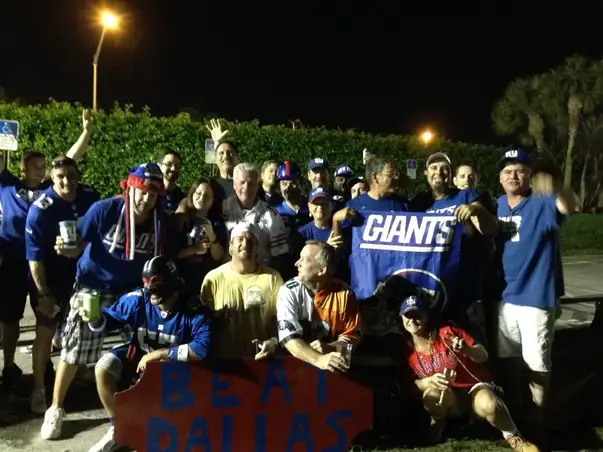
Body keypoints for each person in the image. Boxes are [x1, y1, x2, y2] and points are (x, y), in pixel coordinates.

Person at [41, 162, 166, 440]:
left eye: (152, 194)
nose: (146, 199)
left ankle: (132, 408)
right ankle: (56, 408)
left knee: (139, 347)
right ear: (129, 188)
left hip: (132, 290)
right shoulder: (105, 209)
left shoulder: (160, 220)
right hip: (93, 285)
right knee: (75, 346)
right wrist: (67, 248)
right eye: (142, 191)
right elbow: (77, 242)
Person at [0, 109, 94, 387]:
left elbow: (70, 159)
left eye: (44, 165)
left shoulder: (49, 188)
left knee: (46, 315)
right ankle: (8, 365)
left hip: (42, 262)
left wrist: (86, 132)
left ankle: (50, 364)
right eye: (36, 164)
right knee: (10, 316)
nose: (41, 169)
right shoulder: (7, 185)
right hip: (13, 261)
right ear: (23, 167)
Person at [83, 256, 211, 452]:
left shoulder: (193, 307)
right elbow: (107, 320)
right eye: (147, 286)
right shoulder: (138, 300)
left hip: (178, 375)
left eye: (156, 285)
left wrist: (161, 354)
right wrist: (94, 319)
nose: (151, 292)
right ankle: (119, 426)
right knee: (103, 368)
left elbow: (203, 348)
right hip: (140, 358)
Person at [495, 149, 577, 438]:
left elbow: (569, 205)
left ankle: (535, 419)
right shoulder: (496, 206)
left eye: (519, 170)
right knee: (509, 360)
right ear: (500, 178)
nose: (513, 175)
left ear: (529, 175)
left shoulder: (541, 202)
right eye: (507, 171)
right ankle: (514, 410)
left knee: (537, 364)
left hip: (536, 297)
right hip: (504, 298)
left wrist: (557, 186)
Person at [400, 294, 538, 451]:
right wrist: (427, 381)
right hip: (449, 401)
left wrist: (466, 349)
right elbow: (409, 385)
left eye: (417, 314)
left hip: (474, 390)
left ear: (427, 315)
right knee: (432, 395)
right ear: (402, 318)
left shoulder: (447, 332)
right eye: (407, 315)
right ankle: (437, 425)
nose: (412, 320)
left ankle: (513, 436)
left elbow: (483, 355)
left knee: (491, 404)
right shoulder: (406, 348)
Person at [25, 156, 100, 413]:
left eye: (70, 174)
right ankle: (38, 389)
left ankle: (78, 372)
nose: (66, 180)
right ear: (52, 178)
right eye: (60, 177)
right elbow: (34, 260)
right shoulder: (40, 209)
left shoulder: (90, 196)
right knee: (45, 333)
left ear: (78, 174)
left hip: (83, 278)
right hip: (50, 280)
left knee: (80, 331)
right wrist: (44, 294)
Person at [277, 241, 362, 373]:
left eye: (304, 260)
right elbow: (289, 339)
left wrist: (330, 348)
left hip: (333, 370)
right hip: (292, 368)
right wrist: (319, 359)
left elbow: (352, 337)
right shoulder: (289, 291)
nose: (296, 263)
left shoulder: (345, 294)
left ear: (322, 270)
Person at [201, 222, 282, 359]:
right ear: (230, 247)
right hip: (223, 362)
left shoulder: (273, 279)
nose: (245, 244)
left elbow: (282, 321)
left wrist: (274, 342)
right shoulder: (213, 279)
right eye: (240, 239)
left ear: (257, 248)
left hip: (262, 361)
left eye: (251, 240)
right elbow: (201, 325)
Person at [222, 163, 289, 268]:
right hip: (229, 276)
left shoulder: (271, 215)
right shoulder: (223, 207)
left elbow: (279, 256)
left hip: (260, 275)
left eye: (251, 183)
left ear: (258, 186)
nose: (246, 187)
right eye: (242, 182)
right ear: (234, 185)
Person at [172, 176, 225, 296]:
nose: (201, 198)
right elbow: (173, 254)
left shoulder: (216, 222)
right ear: (192, 193)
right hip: (181, 282)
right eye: (198, 193)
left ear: (213, 199)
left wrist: (212, 236)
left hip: (207, 283)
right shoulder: (182, 218)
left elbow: (219, 256)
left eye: (207, 195)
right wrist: (196, 248)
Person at [157, 148, 185, 215]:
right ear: (159, 166)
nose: (173, 168)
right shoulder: (152, 195)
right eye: (168, 164)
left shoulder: (184, 198)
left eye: (177, 165)